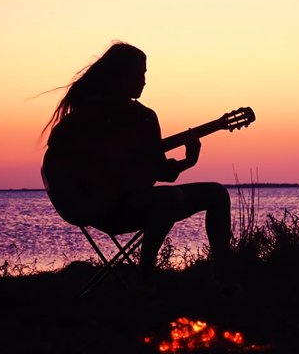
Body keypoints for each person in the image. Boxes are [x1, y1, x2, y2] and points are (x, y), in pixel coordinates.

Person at [42, 42, 232, 283]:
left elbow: (163, 172)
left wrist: (188, 161)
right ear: (119, 75)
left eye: (145, 74)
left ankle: (224, 281)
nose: (144, 81)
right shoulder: (88, 113)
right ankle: (146, 280)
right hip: (98, 206)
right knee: (169, 198)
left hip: (137, 203)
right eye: (139, 73)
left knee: (216, 193)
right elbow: (57, 149)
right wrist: (102, 160)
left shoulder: (145, 117)